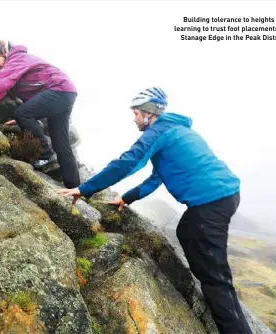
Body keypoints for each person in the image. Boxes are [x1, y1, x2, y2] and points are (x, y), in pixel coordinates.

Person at [57, 87, 252, 334]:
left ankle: (227, 312)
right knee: (187, 231)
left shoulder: (160, 131)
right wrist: (126, 198)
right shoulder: (177, 131)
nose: (134, 118)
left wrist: (85, 189)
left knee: (216, 278)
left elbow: (128, 161)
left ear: (148, 114)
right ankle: (211, 279)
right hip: (221, 197)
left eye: (136, 113)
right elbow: (157, 177)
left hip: (212, 202)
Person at [0, 35, 81, 189]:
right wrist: (28, 115)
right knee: (61, 143)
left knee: (22, 113)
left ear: (0, 52)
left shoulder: (16, 59)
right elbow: (37, 92)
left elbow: (2, 82)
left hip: (59, 90)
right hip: (65, 92)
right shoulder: (20, 60)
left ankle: (44, 153)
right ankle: (74, 187)